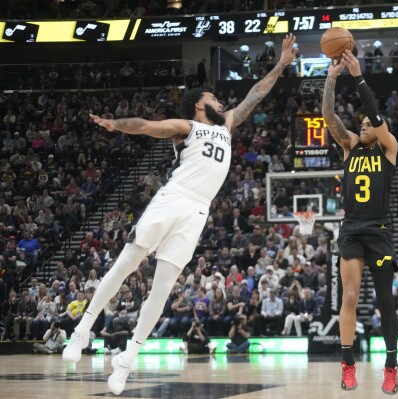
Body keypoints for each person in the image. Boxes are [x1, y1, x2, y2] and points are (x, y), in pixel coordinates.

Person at [63, 34, 299, 396]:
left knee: (161, 291)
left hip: (198, 211)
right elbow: (144, 125)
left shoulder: (227, 125)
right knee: (127, 263)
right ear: (199, 105)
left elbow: (256, 94)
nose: (220, 100)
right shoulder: (187, 127)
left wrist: (281, 65)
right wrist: (115, 124)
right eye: (213, 97)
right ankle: (83, 329)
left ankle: (127, 361)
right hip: (173, 198)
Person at [323, 49, 398, 394]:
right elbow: (327, 114)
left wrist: (359, 76)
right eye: (362, 123)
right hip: (352, 227)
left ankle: (391, 366)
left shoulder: (389, 148)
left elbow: (376, 117)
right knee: (350, 296)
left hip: (380, 229)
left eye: (370, 123)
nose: (364, 125)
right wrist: (332, 76)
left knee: (385, 299)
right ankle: (348, 362)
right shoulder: (350, 146)